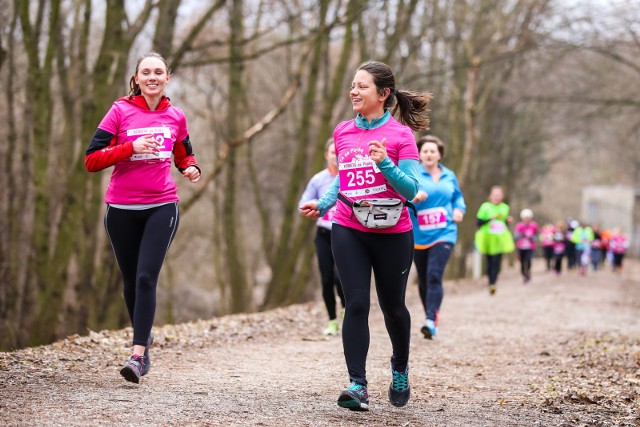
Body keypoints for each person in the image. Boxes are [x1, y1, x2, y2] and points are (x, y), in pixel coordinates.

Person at [300, 60, 431, 411]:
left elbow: (409, 190)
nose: (353, 92)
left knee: (393, 308)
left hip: (393, 232)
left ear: (383, 93)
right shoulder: (343, 131)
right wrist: (323, 204)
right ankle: (357, 384)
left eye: (362, 86)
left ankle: (400, 368)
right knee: (355, 303)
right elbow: (344, 180)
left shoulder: (401, 136)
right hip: (349, 227)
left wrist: (385, 163)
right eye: (353, 85)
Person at [85, 52, 201, 383]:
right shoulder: (119, 111)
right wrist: (130, 148)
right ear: (136, 79)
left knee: (147, 277)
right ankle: (144, 337)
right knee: (131, 280)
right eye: (146, 72)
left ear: (168, 78)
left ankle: (137, 356)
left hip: (162, 205)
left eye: (158, 72)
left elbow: (184, 152)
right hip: (121, 209)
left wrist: (190, 167)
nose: (152, 77)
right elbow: (91, 159)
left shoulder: (176, 116)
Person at [409, 135, 465, 340]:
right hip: (419, 234)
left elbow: (457, 196)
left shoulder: (449, 175)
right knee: (423, 279)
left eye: (433, 151)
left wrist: (459, 209)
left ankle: (430, 321)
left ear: (439, 155)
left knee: (434, 275)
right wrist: (413, 197)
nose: (429, 154)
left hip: (445, 232)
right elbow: (402, 195)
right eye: (425, 151)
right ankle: (430, 314)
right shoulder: (413, 174)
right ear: (419, 155)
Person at [298, 139, 345, 336]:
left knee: (339, 277)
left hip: (344, 234)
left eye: (339, 152)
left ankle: (346, 308)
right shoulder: (318, 180)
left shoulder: (349, 177)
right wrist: (317, 205)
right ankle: (332, 321)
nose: (336, 156)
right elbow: (302, 204)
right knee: (326, 278)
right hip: (324, 234)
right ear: (326, 155)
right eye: (332, 152)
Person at [474, 186, 515, 294]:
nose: (497, 197)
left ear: (502, 196)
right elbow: (478, 223)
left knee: (497, 261)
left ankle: (493, 283)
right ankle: (490, 281)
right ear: (491, 196)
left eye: (499, 195)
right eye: (495, 195)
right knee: (489, 261)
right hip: (487, 237)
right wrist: (488, 219)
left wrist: (508, 221)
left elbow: (504, 223)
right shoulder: (485, 207)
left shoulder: (505, 208)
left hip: (500, 237)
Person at [514, 209, 538, 283]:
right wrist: (522, 234)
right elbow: (515, 236)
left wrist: (532, 237)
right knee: (521, 262)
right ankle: (524, 274)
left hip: (530, 246)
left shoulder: (534, 225)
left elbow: (536, 236)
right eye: (525, 217)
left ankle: (528, 272)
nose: (527, 219)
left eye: (528, 217)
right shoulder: (519, 225)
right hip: (521, 246)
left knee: (528, 260)